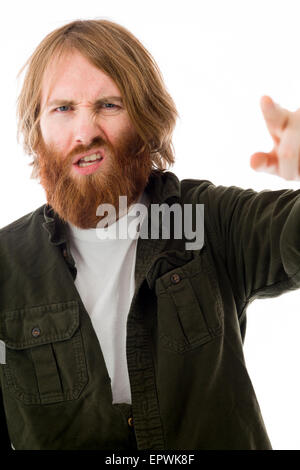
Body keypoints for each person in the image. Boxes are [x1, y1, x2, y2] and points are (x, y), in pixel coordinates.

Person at [1, 18, 300, 451]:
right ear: (38, 127)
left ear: (145, 118)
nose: (85, 133)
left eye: (108, 105)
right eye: (63, 108)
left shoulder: (209, 220)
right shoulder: (7, 264)